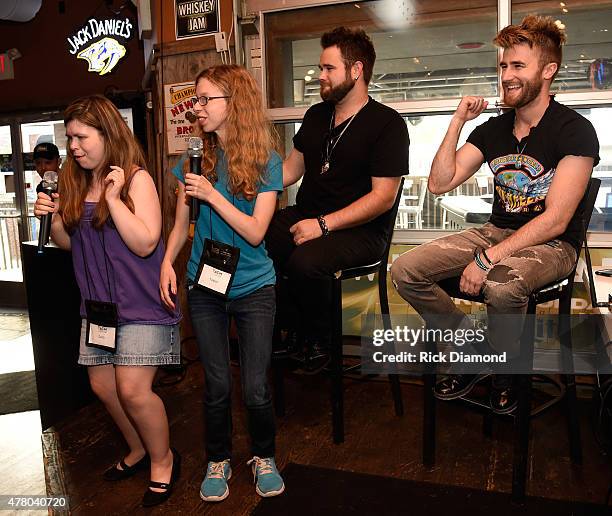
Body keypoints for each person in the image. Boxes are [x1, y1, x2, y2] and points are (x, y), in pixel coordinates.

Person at [390, 15, 600, 413]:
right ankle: (474, 351)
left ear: (548, 70)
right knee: (405, 270)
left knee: (501, 286)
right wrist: (456, 121)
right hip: (496, 230)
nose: (507, 75)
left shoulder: (574, 130)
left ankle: (504, 371)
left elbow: (556, 220)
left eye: (518, 65)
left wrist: (487, 260)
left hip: (553, 244)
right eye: (504, 66)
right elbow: (439, 183)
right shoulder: (493, 129)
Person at [33, 95, 182, 507]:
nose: (73, 146)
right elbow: (68, 244)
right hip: (98, 307)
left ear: (106, 132)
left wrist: (114, 201)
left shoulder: (135, 179)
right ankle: (137, 449)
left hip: (141, 305)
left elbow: (146, 241)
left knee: (133, 388)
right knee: (103, 385)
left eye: (81, 136)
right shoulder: (74, 179)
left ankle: (163, 459)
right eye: (70, 139)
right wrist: (53, 217)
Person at [159, 64, 285, 502]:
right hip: (204, 285)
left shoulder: (268, 161)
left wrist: (212, 195)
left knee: (254, 385)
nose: (197, 108)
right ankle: (219, 459)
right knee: (215, 383)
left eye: (205, 99)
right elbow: (178, 227)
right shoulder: (194, 160)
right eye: (196, 99)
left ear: (235, 103)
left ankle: (263, 456)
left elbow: (255, 232)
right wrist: (166, 264)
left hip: (254, 288)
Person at [265, 26, 409, 372]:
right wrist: (241, 179)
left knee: (305, 261)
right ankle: (286, 332)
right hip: (309, 215)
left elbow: (382, 199)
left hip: (361, 229)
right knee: (261, 240)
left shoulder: (387, 124)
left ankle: (320, 340)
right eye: (321, 68)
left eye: (329, 69)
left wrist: (323, 225)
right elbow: (288, 172)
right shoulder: (317, 115)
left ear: (356, 70)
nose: (320, 76)